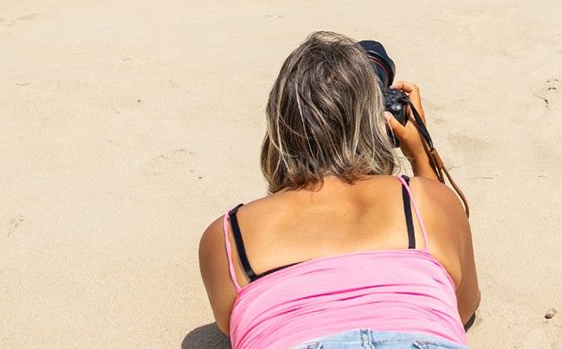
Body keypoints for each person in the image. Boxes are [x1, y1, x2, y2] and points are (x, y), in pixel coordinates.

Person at [198, 31, 479, 349]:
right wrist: (420, 153)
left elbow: (232, 324)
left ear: (279, 121)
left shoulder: (227, 235)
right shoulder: (425, 200)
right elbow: (462, 305)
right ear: (378, 121)